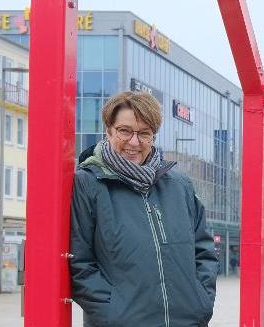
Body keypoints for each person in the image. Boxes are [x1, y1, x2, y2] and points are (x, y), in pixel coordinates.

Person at [70, 91, 218, 327]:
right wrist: (112, 314)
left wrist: (200, 303)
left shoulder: (179, 186)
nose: (134, 142)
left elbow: (204, 251)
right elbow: (80, 262)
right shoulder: (88, 184)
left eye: (144, 133)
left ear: (153, 137)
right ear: (108, 130)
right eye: (125, 131)